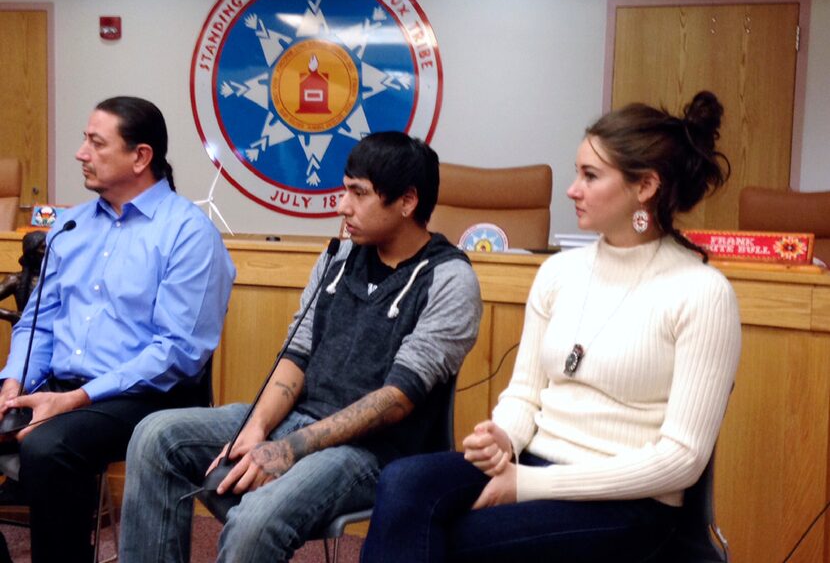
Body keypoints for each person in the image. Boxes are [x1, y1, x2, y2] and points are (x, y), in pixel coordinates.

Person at [361, 91, 743, 563]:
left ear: (645, 187)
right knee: (402, 483)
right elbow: (524, 395)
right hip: (533, 461)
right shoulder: (559, 273)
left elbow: (681, 461)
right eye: (576, 172)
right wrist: (502, 438)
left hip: (629, 502)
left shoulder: (702, 293)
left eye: (590, 176)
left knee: (457, 538)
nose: (571, 189)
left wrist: (529, 484)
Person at [118, 131, 483, 562]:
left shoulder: (449, 280)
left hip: (374, 451)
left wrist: (291, 448)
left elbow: (396, 400)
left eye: (358, 194)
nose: (342, 206)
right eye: (344, 189)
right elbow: (297, 355)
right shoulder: (338, 258)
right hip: (297, 419)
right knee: (155, 436)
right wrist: (256, 427)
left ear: (407, 201)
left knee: (256, 521)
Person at [0, 96, 236, 563]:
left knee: (49, 448)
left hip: (146, 395)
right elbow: (39, 321)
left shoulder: (187, 233)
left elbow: (176, 353)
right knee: (39, 431)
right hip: (59, 386)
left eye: (95, 142)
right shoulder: (72, 224)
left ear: (140, 156)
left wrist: (73, 400)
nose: (80, 153)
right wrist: (14, 382)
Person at [0, 230, 46, 326]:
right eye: (43, 248)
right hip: (26, 330)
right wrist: (11, 315)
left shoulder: (56, 278)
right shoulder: (16, 279)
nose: (47, 252)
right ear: (31, 253)